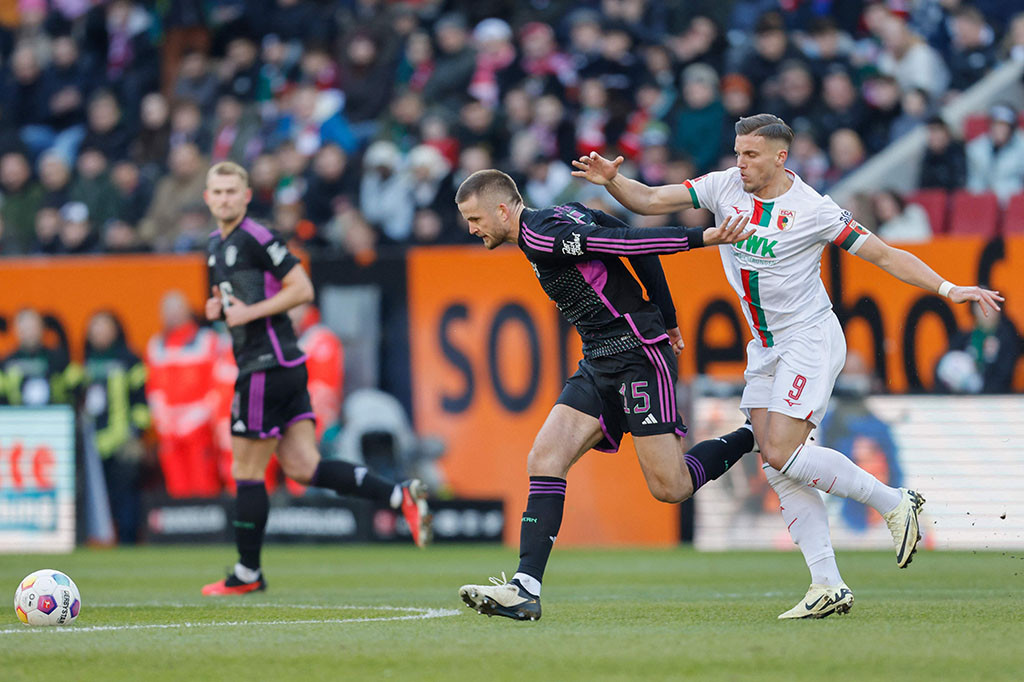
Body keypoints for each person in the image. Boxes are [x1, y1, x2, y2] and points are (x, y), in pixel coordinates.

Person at [572, 113, 1003, 619]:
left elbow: (884, 255)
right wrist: (613, 180)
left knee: (780, 449)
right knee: (778, 465)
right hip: (766, 346)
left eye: (751, 155)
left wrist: (950, 289)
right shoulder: (723, 186)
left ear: (780, 157)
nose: (740, 163)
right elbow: (648, 200)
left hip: (809, 340)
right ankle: (827, 584)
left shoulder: (814, 210)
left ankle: (893, 501)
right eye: (737, 152)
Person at [454, 169, 757, 621]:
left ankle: (754, 433)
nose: (472, 229)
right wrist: (669, 314)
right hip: (599, 360)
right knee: (545, 458)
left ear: (503, 209)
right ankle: (524, 588)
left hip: (637, 354)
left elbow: (629, 244)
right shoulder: (564, 213)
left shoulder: (540, 237)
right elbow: (621, 234)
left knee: (670, 488)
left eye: (475, 218)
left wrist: (702, 237)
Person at [200, 161, 430, 596]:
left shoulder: (257, 236)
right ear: (208, 197)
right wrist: (219, 308)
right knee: (305, 467)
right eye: (218, 191)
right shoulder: (216, 244)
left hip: (266, 366)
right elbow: (233, 295)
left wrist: (249, 314)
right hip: (285, 366)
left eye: (233, 190)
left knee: (246, 470)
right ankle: (401, 497)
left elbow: (302, 289)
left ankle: (248, 573)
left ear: (247, 196)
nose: (226, 198)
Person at [80, 311, 150, 544]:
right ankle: (98, 538)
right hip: (92, 444)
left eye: (104, 326)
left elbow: (141, 400)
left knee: (125, 494)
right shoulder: (85, 361)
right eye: (95, 327)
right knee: (96, 496)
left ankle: (129, 539)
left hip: (121, 441)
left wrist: (136, 434)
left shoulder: (129, 359)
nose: (99, 332)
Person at [146, 291, 223, 498]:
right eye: (165, 310)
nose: (170, 315)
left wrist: (196, 419)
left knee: (204, 485)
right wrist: (163, 420)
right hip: (169, 432)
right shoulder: (155, 345)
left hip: (200, 429)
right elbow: (154, 388)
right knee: (176, 488)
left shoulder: (208, 341)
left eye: (175, 309)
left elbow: (217, 386)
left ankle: (207, 530)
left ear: (187, 310)